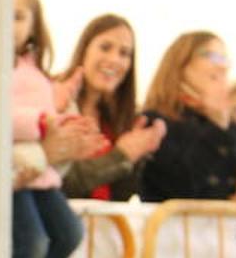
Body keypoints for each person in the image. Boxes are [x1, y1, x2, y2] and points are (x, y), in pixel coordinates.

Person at [139, 31, 236, 202]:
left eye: (224, 59)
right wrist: (217, 128)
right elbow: (186, 187)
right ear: (181, 66)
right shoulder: (155, 121)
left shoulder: (230, 127)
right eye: (212, 56)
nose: (222, 65)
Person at [5, 0, 84, 258]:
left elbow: (44, 113)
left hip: (40, 171)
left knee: (70, 233)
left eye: (19, 16)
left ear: (33, 26)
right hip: (14, 171)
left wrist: (61, 115)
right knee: (33, 243)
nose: (9, 25)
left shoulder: (34, 72)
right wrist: (42, 122)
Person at [57, 14, 165, 201]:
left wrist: (137, 156)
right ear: (84, 50)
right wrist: (122, 156)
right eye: (105, 48)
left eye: (124, 53)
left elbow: (120, 196)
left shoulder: (116, 119)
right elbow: (61, 183)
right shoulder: (56, 102)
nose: (114, 60)